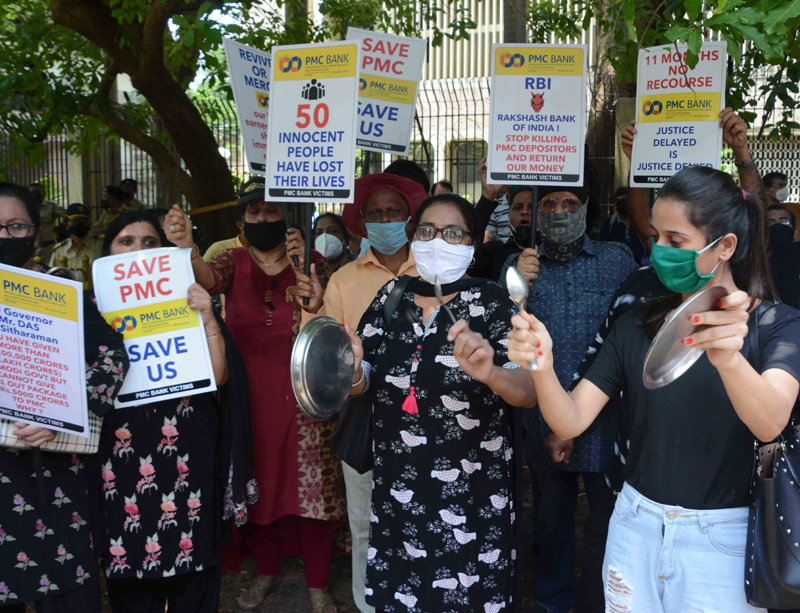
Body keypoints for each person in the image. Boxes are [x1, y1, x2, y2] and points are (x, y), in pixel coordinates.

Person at [508, 165, 800, 612]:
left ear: (724, 246)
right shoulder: (636, 323)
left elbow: (770, 422)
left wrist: (727, 359)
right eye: (656, 236)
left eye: (676, 241)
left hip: (723, 539)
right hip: (634, 525)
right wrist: (542, 367)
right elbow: (570, 420)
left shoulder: (776, 326)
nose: (659, 251)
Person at [345, 193, 538, 612]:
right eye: (428, 231)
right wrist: (353, 370)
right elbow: (362, 384)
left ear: (473, 245)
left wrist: (491, 373)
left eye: (453, 233)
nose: (437, 241)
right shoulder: (391, 297)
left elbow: (528, 390)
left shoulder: (492, 302)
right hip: (400, 489)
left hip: (472, 492)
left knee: (467, 592)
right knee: (405, 593)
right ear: (413, 236)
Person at [163, 178, 346, 613]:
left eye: (271, 210)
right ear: (241, 222)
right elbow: (207, 279)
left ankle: (318, 583)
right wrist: (188, 247)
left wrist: (307, 277)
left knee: (314, 495)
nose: (263, 217)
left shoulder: (312, 261)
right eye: (254, 212)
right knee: (256, 486)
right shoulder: (233, 260)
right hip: (249, 400)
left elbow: (331, 317)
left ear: (287, 215)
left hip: (306, 397)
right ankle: (266, 571)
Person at [94, 211, 255, 612]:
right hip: (121, 465)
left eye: (150, 242)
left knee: (194, 576)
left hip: (186, 456)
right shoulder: (91, 311)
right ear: (107, 252)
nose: (138, 250)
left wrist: (208, 318)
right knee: (132, 576)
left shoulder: (188, 299)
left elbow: (219, 376)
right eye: (126, 241)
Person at [500, 172, 637, 613]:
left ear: (586, 207)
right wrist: (518, 289)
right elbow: (505, 337)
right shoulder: (517, 266)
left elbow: (626, 336)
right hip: (542, 418)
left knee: (608, 524)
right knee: (551, 522)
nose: (559, 211)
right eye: (549, 204)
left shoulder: (617, 260)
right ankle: (553, 602)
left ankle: (602, 603)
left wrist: (576, 418)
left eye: (570, 203)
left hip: (604, 418)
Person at [0, 182, 128, 612]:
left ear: (36, 234)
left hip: (52, 472)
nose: (5, 236)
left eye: (16, 226)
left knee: (66, 589)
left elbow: (112, 357)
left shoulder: (60, 292)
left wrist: (59, 414)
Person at [308, 173, 428, 613]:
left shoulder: (435, 268)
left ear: (409, 218)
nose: (384, 219)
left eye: (393, 211)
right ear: (362, 220)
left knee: (422, 518)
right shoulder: (343, 280)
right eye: (375, 213)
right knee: (365, 521)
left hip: (427, 419)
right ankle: (368, 604)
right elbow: (324, 351)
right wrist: (309, 310)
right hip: (365, 416)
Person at [471, 185, 533, 281]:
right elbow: (469, 245)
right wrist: (487, 197)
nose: (525, 211)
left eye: (532, 207)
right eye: (518, 208)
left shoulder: (552, 254)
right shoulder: (494, 252)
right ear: (508, 218)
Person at [202, 182, 256, 262]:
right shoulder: (219, 249)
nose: (261, 218)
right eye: (254, 212)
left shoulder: (272, 252)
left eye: (271, 211)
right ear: (240, 225)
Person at [47, 203, 102, 281]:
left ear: (89, 223)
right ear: (66, 225)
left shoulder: (100, 246)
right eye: (74, 221)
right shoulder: (59, 250)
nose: (79, 224)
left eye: (83, 221)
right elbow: (50, 278)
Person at [598, 187, 646, 264]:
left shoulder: (642, 223)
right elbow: (601, 248)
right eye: (617, 201)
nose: (621, 203)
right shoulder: (608, 223)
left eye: (625, 200)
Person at [475, 157, 512, 243]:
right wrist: (488, 196)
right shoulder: (497, 205)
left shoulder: (539, 204)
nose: (524, 212)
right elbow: (478, 236)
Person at [29, 182, 66, 261]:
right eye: (32, 192)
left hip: (48, 248)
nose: (35, 195)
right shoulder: (24, 207)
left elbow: (68, 217)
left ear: (44, 194)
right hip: (29, 249)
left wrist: (59, 228)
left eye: (38, 192)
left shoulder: (51, 206)